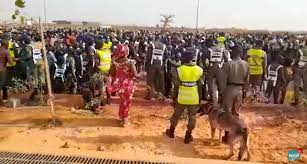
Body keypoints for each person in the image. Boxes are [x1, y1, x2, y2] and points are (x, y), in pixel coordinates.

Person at [165, 47, 203, 144]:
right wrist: (200, 98)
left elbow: (176, 86)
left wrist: (174, 97)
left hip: (181, 97)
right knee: (192, 117)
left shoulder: (179, 70)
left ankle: (171, 131)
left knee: (176, 115)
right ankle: (188, 136)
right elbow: (200, 86)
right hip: (194, 97)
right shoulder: (199, 70)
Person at [221, 43, 249, 143]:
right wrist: (244, 92)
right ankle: (235, 135)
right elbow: (247, 81)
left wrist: (222, 93)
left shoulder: (228, 64)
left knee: (227, 113)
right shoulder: (246, 64)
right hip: (240, 90)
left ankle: (227, 136)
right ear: (241, 53)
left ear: (233, 53)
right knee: (235, 113)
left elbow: (222, 81)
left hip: (229, 89)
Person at [107, 44, 137, 127]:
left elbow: (112, 73)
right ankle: (125, 119)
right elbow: (135, 74)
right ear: (126, 52)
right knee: (127, 102)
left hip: (119, 85)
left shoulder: (114, 62)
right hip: (128, 85)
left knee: (123, 101)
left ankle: (122, 116)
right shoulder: (130, 62)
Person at [292, 39, 307, 105]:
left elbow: (296, 61)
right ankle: (305, 100)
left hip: (298, 68)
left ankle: (296, 100)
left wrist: (293, 67)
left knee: (297, 85)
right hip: (306, 69)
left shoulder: (300, 50)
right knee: (306, 85)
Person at [0, 40, 13, 104]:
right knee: (2, 84)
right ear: (5, 45)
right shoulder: (6, 51)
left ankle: (5, 97)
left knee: (4, 84)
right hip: (2, 69)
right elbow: (11, 62)